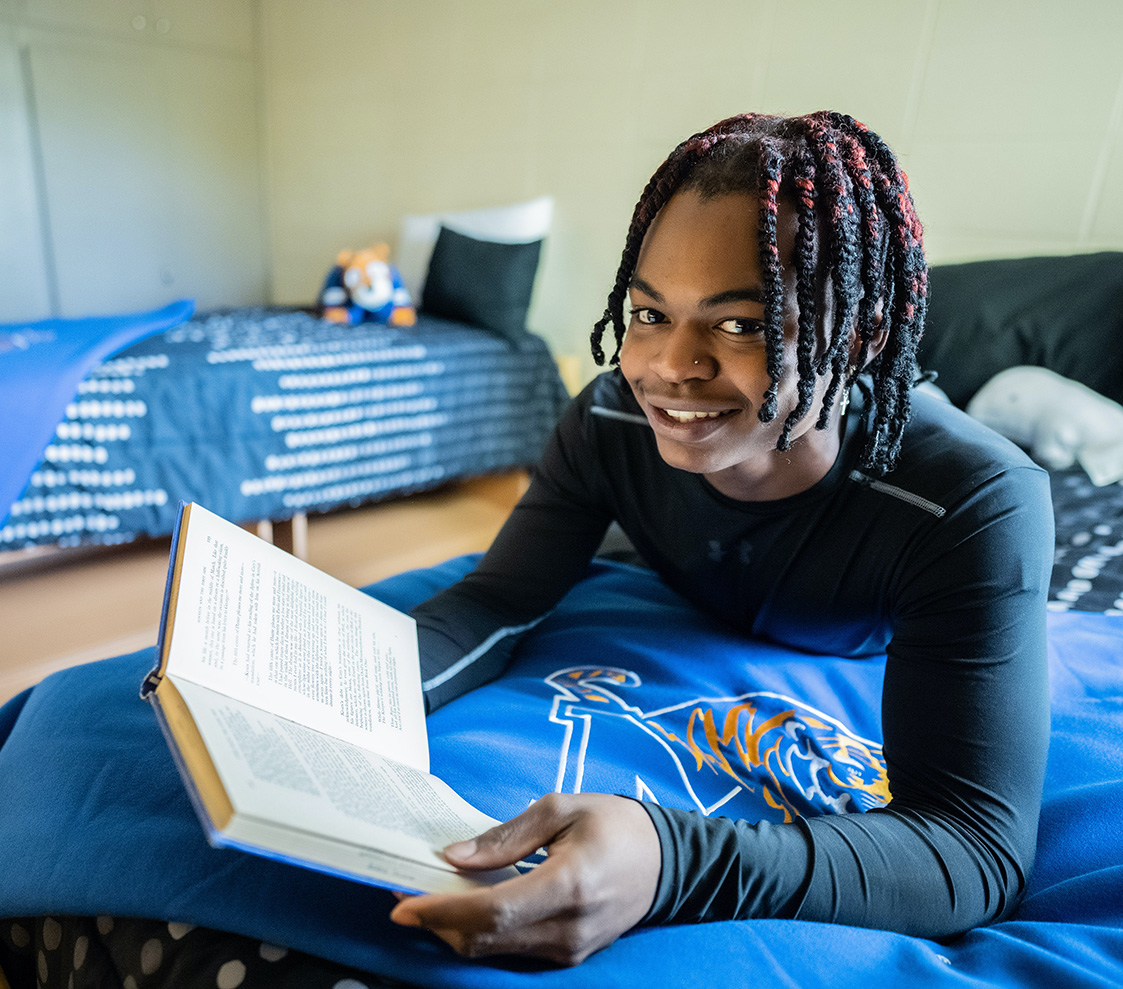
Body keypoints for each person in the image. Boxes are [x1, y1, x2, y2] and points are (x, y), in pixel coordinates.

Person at [388, 111, 1054, 966]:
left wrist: (673, 862)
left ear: (860, 337)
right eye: (647, 313)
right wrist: (338, 698)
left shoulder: (970, 502)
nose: (670, 365)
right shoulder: (606, 417)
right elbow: (498, 595)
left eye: (739, 324)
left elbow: (971, 844)